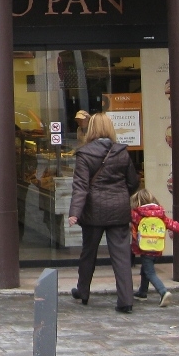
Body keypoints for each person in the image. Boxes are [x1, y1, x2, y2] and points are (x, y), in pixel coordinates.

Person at [68, 113, 140, 313]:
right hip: (118, 209)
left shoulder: (84, 154)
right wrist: (121, 194)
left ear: (91, 128)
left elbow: (80, 187)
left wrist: (74, 212)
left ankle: (83, 291)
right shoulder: (122, 152)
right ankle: (126, 300)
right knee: (121, 255)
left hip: (94, 211)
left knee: (88, 253)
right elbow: (133, 182)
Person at [131, 188, 179, 307]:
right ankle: (142, 292)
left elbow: (127, 219)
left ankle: (163, 292)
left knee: (150, 272)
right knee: (145, 270)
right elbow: (172, 224)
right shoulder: (160, 215)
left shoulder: (137, 215)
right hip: (157, 248)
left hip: (145, 249)